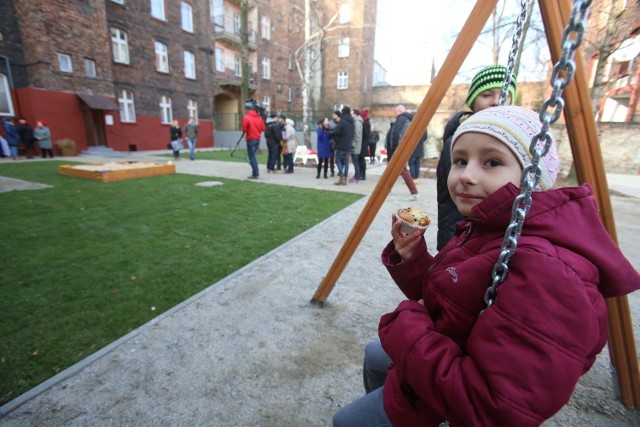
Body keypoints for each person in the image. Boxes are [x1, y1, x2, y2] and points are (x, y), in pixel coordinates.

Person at [333, 105, 640, 427]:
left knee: (347, 421)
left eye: (492, 162)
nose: (467, 175)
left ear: (535, 179)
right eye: (461, 161)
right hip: (444, 353)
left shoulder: (549, 273)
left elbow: (491, 407)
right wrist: (412, 258)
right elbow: (454, 296)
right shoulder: (487, 228)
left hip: (454, 392)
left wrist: (406, 320)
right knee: (374, 354)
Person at [436, 64, 517, 250]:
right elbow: (454, 194)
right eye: (487, 95)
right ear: (473, 101)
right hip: (459, 228)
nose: (496, 101)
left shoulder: (515, 139)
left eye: (504, 94)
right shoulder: (459, 141)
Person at [389, 105, 419, 200]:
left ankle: (414, 192)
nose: (395, 114)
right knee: (393, 170)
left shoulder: (401, 119)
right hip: (403, 148)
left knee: (402, 170)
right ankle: (386, 189)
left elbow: (396, 134)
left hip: (399, 149)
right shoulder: (409, 119)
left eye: (395, 112)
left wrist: (394, 149)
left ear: (400, 111)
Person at [241, 101, 265, 179]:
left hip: (250, 139)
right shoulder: (259, 118)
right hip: (257, 139)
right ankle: (255, 172)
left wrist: (249, 131)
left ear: (248, 109)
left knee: (252, 157)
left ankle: (255, 173)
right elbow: (263, 129)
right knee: (252, 156)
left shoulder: (246, 117)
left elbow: (244, 129)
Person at [331, 106, 354, 186]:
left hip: (340, 144)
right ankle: (345, 177)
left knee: (338, 161)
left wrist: (333, 133)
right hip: (348, 144)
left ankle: (342, 177)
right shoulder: (352, 121)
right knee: (346, 162)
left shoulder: (342, 121)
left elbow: (338, 131)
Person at [349, 109, 363, 183]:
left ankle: (357, 177)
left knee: (355, 162)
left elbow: (357, 135)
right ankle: (356, 175)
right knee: (355, 162)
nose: (351, 115)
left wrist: (353, 145)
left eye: (352, 113)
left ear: (355, 114)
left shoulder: (357, 122)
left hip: (356, 146)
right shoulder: (356, 122)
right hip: (356, 145)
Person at [327, 110, 341, 177]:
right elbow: (328, 132)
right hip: (332, 142)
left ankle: (340, 170)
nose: (333, 115)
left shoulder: (342, 123)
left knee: (340, 157)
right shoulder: (330, 123)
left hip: (339, 142)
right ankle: (332, 171)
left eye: (334, 114)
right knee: (331, 157)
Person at [358, 108, 371, 181]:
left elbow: (365, 134)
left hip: (363, 144)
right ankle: (361, 174)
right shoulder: (366, 122)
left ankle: (362, 174)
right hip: (364, 143)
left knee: (361, 159)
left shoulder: (365, 123)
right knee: (361, 159)